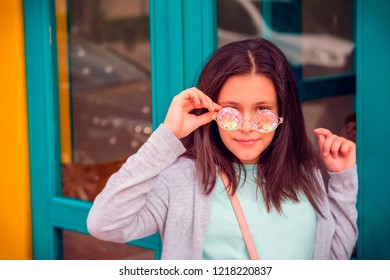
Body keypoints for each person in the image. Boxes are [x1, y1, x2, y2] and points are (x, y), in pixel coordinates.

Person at [87, 38, 358, 260]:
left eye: (263, 110)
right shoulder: (183, 181)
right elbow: (105, 224)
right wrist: (167, 136)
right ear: (211, 111)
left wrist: (343, 180)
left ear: (282, 113)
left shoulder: (304, 172)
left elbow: (333, 259)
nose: (247, 127)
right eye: (231, 111)